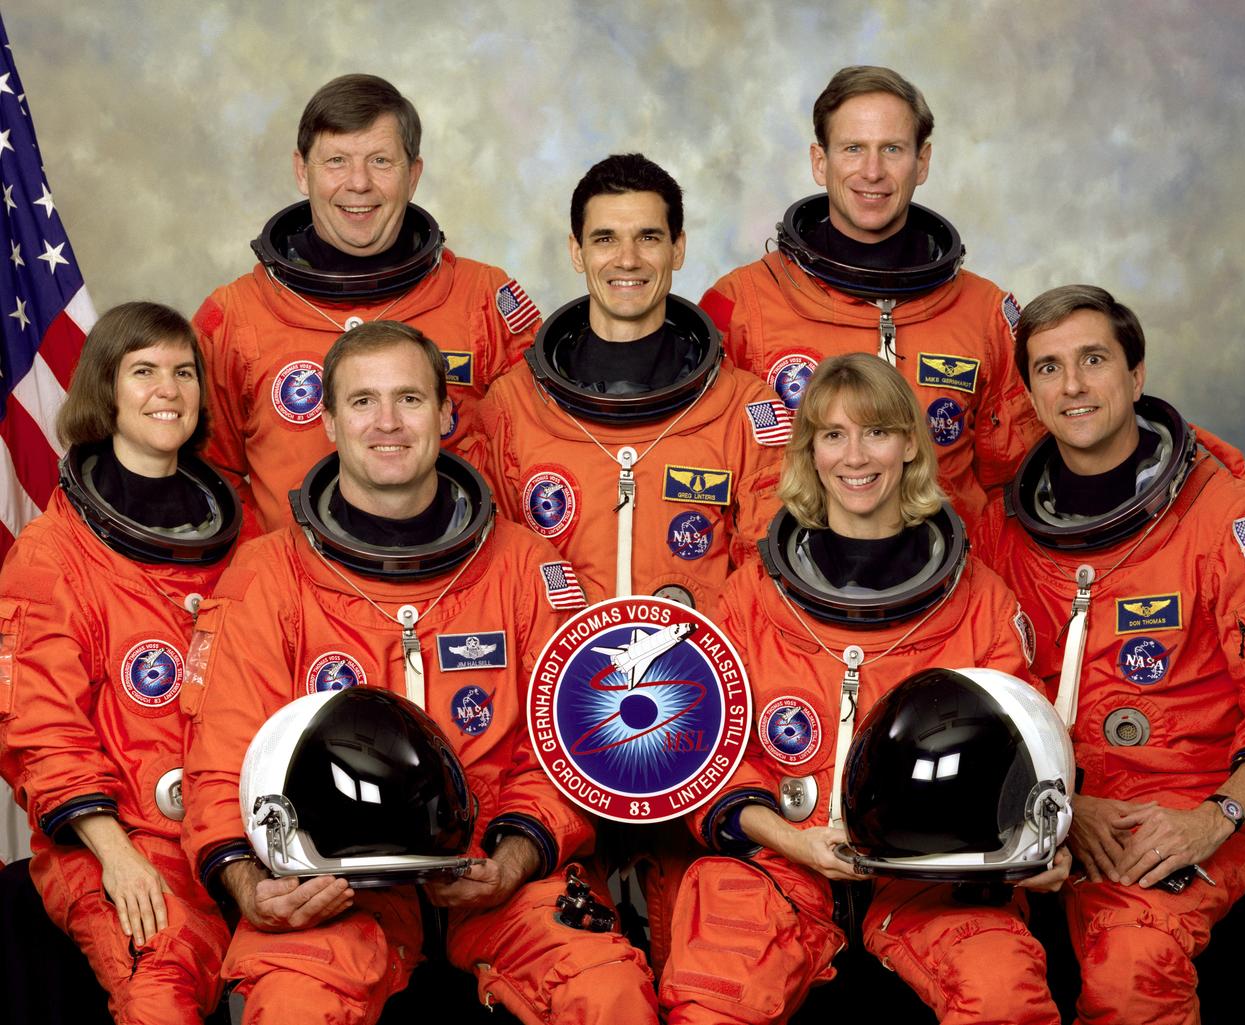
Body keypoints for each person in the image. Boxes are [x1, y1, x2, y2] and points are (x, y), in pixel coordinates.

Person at [181, 321, 657, 1025]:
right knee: (292, 1004)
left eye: (408, 398)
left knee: (606, 987)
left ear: (443, 413)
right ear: (328, 421)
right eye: (363, 401)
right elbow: (221, 762)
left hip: (495, 859)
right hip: (331, 874)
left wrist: (517, 857)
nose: (388, 423)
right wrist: (250, 884)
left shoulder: (524, 567)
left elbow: (572, 749)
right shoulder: (269, 576)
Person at [659, 353, 1069, 1025]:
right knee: (713, 1001)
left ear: (909, 444)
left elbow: (1028, 751)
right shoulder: (751, 598)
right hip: (779, 862)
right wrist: (794, 841)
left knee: (1004, 995)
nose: (855, 456)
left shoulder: (978, 601)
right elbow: (705, 759)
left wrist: (1038, 842)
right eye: (833, 435)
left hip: (935, 873)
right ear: (810, 452)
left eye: (876, 432)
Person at [972, 285, 1245, 1024]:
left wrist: (1215, 816)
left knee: (1131, 974)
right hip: (1046, 808)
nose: (1073, 386)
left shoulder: (1229, 520)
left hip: (1186, 801)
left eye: (1093, 360)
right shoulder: (998, 533)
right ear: (1031, 394)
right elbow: (979, 700)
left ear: (1136, 375)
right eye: (1049, 368)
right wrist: (1061, 804)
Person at [0, 302, 241, 1024]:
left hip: (239, 831)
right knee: (158, 985)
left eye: (184, 372)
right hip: (119, 837)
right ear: (104, 388)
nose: (168, 389)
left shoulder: (243, 534)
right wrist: (116, 853)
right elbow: (38, 728)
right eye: (144, 371)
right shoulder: (52, 555)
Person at [194, 73, 541, 533]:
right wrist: (276, 565)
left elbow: (536, 456)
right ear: (302, 171)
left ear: (413, 175)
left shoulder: (482, 300)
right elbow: (206, 477)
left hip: (460, 571)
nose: (358, 184)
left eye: (381, 161)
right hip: (296, 575)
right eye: (336, 161)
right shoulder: (235, 317)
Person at [699, 65, 1040, 532]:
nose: (873, 172)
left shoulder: (985, 313)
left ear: (922, 162)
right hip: (789, 571)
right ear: (820, 161)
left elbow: (1015, 489)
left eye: (892, 149)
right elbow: (708, 478)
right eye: (853, 148)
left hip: (951, 569)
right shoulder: (741, 305)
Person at [462, 153, 783, 615]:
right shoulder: (513, 406)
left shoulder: (744, 411)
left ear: (678, 249)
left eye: (648, 237)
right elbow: (491, 577)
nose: (627, 260)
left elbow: (763, 588)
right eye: (605, 239)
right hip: (552, 659)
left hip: (697, 658)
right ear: (577, 252)